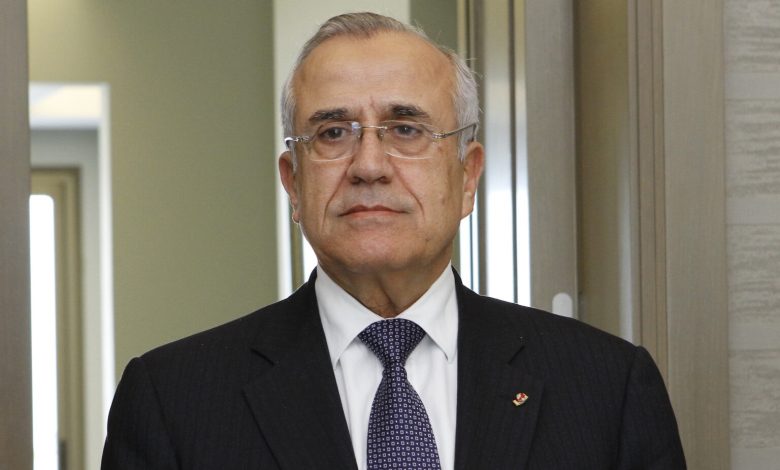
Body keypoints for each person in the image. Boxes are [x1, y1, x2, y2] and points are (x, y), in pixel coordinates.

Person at [101, 12, 685, 470]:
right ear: (293, 184)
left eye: (406, 129)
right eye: (333, 133)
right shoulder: (173, 402)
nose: (369, 165)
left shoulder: (608, 388)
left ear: (467, 177)